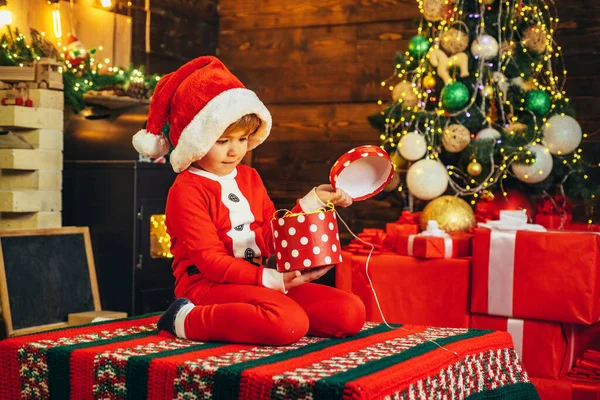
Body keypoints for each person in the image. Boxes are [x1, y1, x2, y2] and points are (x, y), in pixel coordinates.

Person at [133, 56, 366, 345]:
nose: (235, 151)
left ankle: (260, 313)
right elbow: (211, 262)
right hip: (206, 285)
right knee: (288, 323)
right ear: (197, 140)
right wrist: (274, 282)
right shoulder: (187, 189)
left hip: (257, 280)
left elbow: (270, 235)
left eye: (242, 139)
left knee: (350, 312)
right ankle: (183, 319)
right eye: (223, 141)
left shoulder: (249, 177)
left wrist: (312, 201)